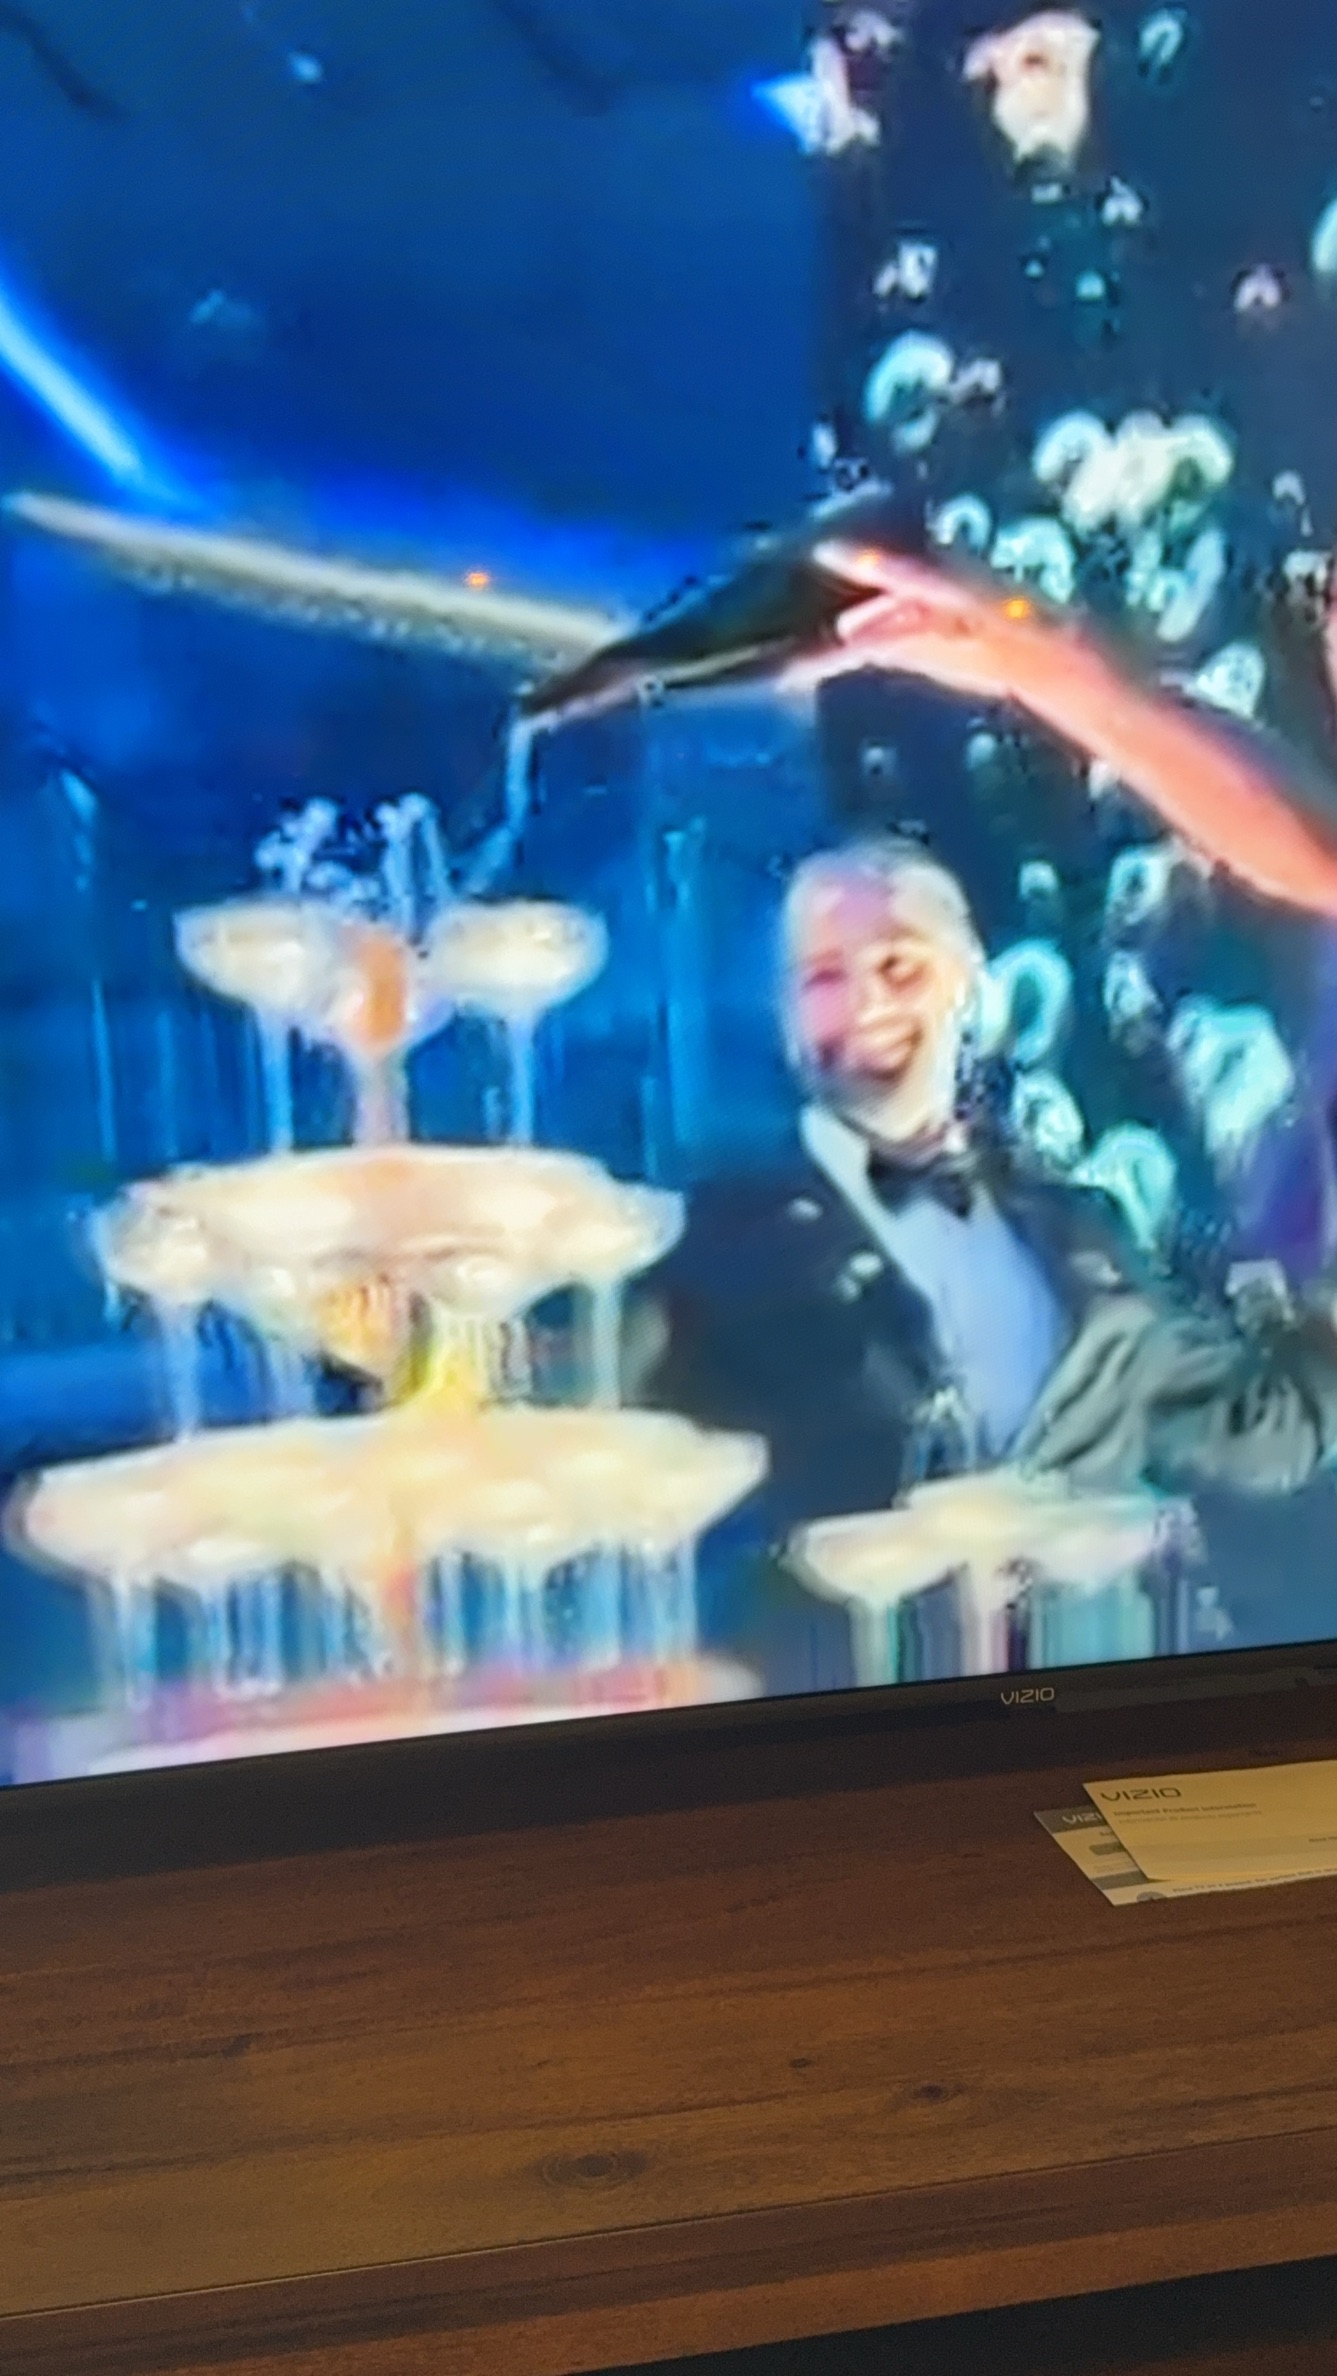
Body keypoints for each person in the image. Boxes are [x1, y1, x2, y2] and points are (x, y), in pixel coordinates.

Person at [637, 836, 1337, 1530]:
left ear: (969, 979)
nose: (866, 1001)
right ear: (786, 1014)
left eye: (898, 964)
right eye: (824, 976)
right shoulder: (708, 1250)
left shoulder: (1086, 1230)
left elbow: (1268, 1430)